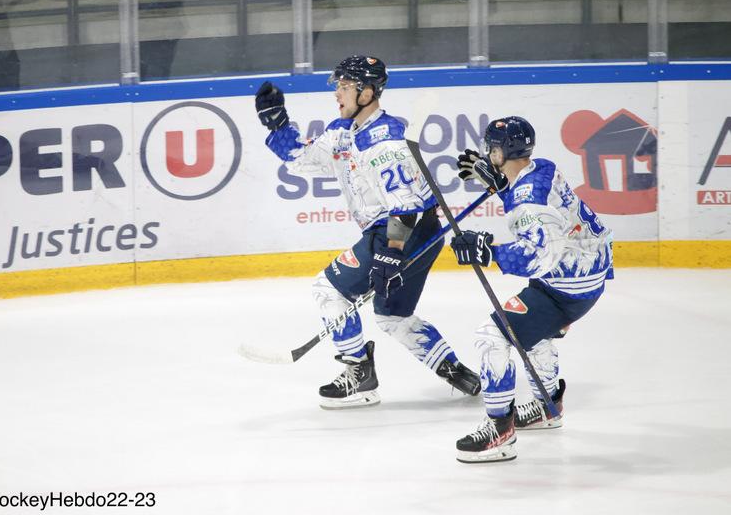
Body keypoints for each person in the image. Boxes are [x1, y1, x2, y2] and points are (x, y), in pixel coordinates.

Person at [254, 55, 480, 409]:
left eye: (345, 87)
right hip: (420, 234)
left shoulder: (385, 140)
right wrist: (278, 126)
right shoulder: (343, 132)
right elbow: (302, 159)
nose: (337, 95)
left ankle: (359, 374)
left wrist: (390, 253)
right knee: (393, 317)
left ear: (367, 92)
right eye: (338, 87)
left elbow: (405, 205)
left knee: (329, 289)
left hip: (402, 231)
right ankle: (453, 369)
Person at [449, 116, 613, 462]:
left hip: (564, 284)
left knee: (492, 336)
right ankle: (546, 406)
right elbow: (535, 207)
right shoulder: (542, 167)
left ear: (501, 150)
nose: (486, 152)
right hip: (586, 272)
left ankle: (499, 430)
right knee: (535, 335)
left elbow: (539, 255)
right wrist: (501, 183)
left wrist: (486, 250)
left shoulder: (528, 197)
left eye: (490, 147)